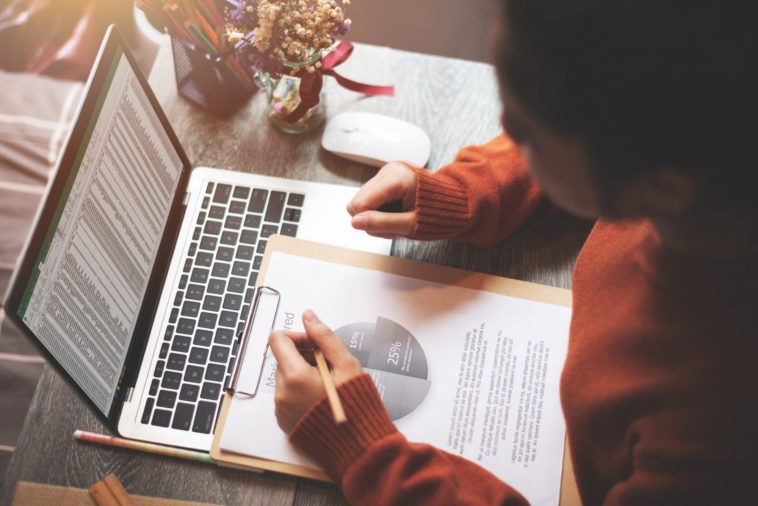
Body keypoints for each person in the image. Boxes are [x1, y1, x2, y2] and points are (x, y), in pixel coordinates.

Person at [268, 0, 758, 504]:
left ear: (660, 188)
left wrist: (365, 451)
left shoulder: (716, 437)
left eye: (528, 130)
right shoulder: (707, 156)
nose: (505, 126)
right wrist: (471, 190)